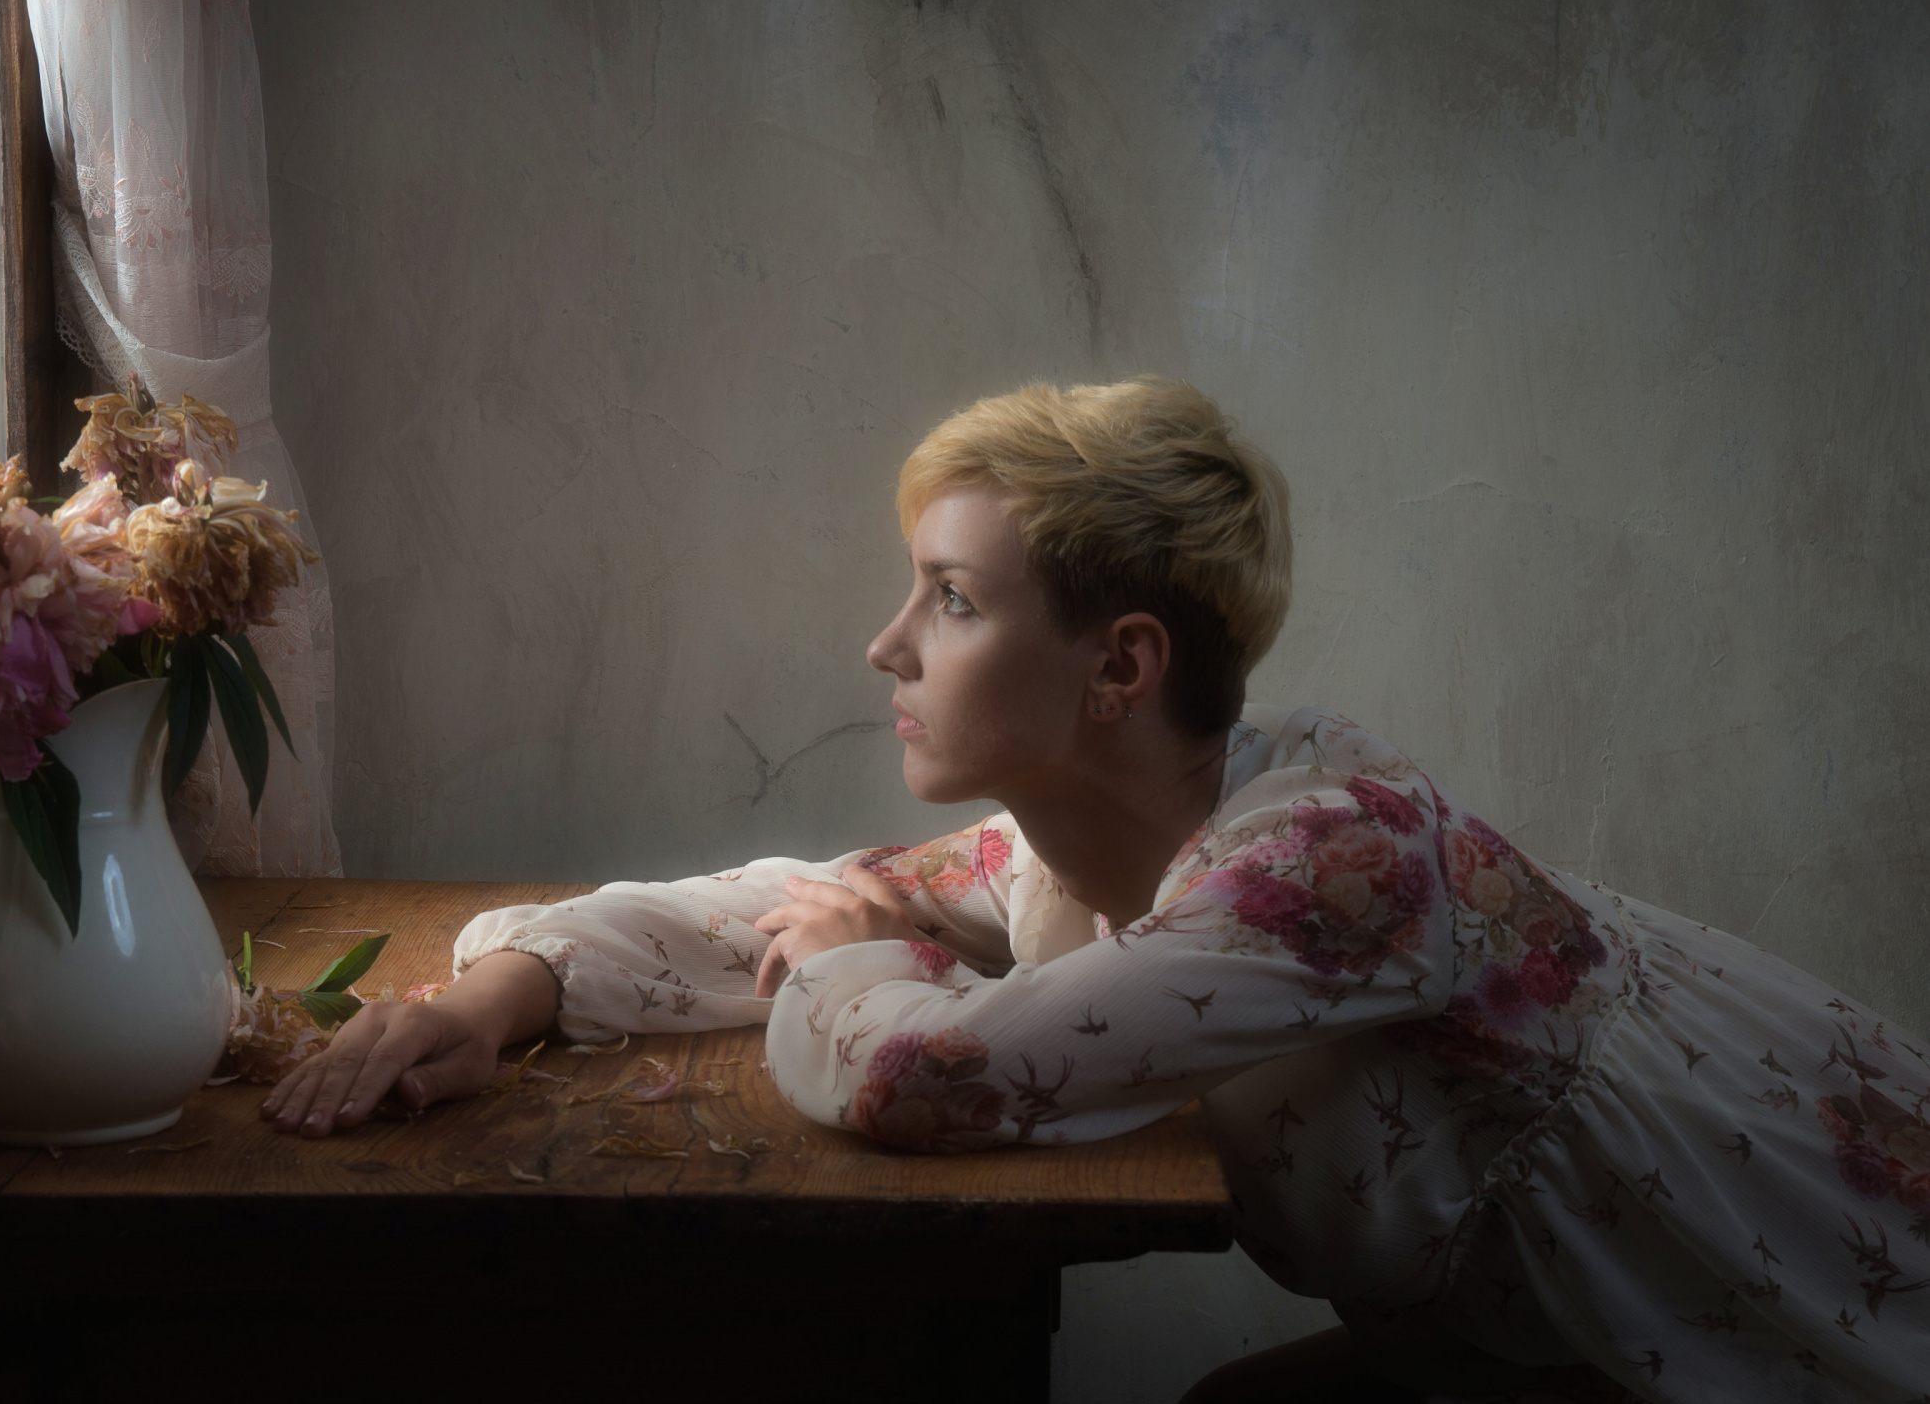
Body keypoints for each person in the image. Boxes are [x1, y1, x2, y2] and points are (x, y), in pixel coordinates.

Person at [263, 378, 1930, 1401]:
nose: (885, 645)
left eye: (949, 599)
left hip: (1798, 1332)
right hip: (1545, 1346)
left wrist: (850, 963)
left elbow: (923, 1070)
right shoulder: (1076, 855)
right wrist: (506, 991)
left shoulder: (1330, 864)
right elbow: (795, 897)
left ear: (1120, 666)